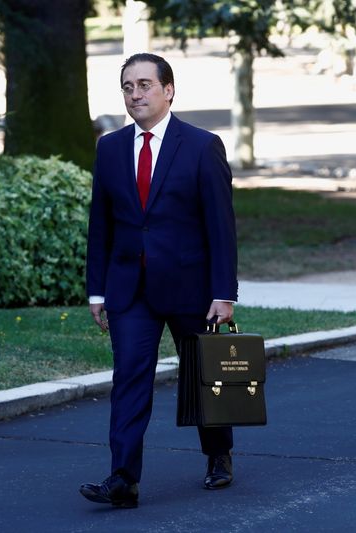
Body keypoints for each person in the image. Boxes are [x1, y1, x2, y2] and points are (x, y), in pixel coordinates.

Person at [80, 53, 238, 509]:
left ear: (169, 90)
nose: (136, 94)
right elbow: (101, 225)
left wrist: (223, 293)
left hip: (192, 289)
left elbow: (220, 227)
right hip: (130, 291)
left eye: (145, 85)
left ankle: (218, 455)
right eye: (128, 87)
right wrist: (98, 290)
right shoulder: (109, 148)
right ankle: (123, 479)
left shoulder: (202, 145)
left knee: (203, 376)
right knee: (129, 378)